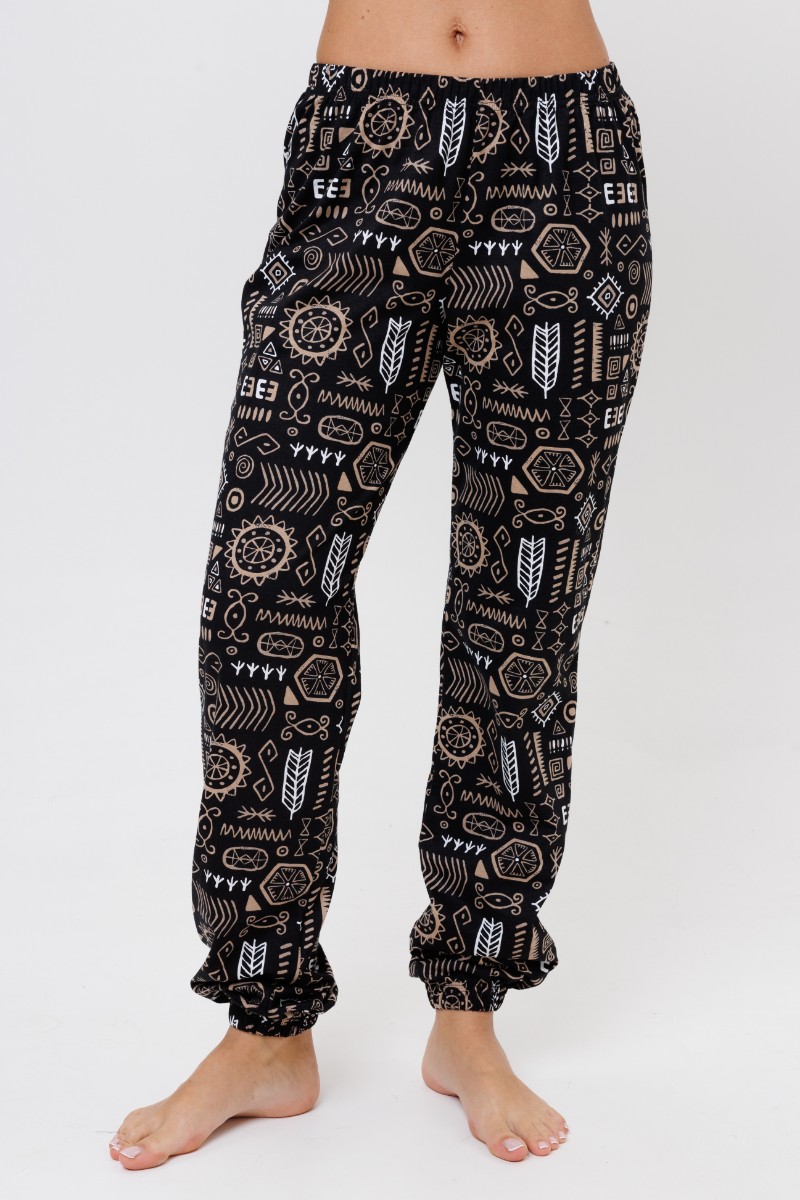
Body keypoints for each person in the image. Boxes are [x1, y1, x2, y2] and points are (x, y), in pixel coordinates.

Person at [109, 0, 653, 1169]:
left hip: (566, 157)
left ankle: (468, 1020)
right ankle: (265, 1030)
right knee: (268, 596)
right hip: (365, 140)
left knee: (520, 616)